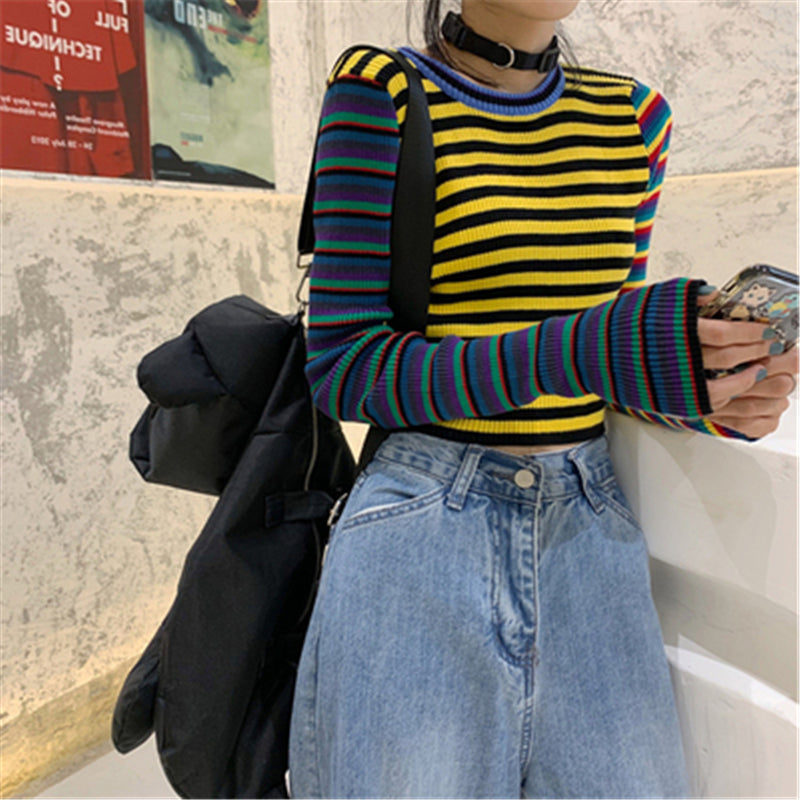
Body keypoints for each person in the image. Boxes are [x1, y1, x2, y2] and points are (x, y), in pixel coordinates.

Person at [288, 1, 798, 797]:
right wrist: (589, 346)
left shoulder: (635, 121)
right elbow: (346, 368)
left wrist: (702, 390)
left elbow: (598, 363)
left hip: (588, 534)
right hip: (422, 528)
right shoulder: (380, 90)